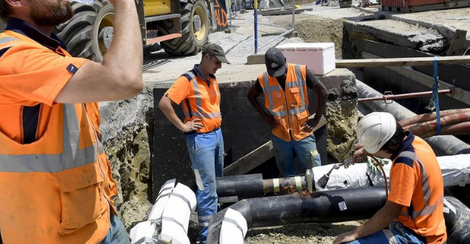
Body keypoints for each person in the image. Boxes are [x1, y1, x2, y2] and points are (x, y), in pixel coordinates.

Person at [0, 0, 143, 243]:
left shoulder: (52, 54)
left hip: (98, 218)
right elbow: (124, 80)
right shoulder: (9, 61)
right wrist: (124, 0)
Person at [334, 112, 447, 244]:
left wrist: (354, 233)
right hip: (433, 229)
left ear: (390, 146)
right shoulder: (417, 142)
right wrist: (367, 149)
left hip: (417, 237)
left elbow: (390, 213)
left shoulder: (404, 164)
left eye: (375, 148)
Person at [158, 43, 230, 244]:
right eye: (216, 62)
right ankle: (207, 237)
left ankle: (217, 227)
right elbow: (164, 103)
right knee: (207, 188)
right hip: (201, 140)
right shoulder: (187, 80)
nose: (219, 66)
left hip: (216, 136)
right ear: (206, 57)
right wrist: (183, 126)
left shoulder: (212, 79)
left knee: (218, 183)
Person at [248, 47, 328, 177]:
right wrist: (265, 117)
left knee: (314, 172)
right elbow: (251, 96)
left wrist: (317, 118)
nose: (280, 75)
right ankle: (291, 196)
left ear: (285, 61)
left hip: (303, 133)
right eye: (275, 73)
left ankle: (315, 195)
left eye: (281, 71)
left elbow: (323, 92)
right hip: (280, 136)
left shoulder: (300, 71)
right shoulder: (264, 79)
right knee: (287, 176)